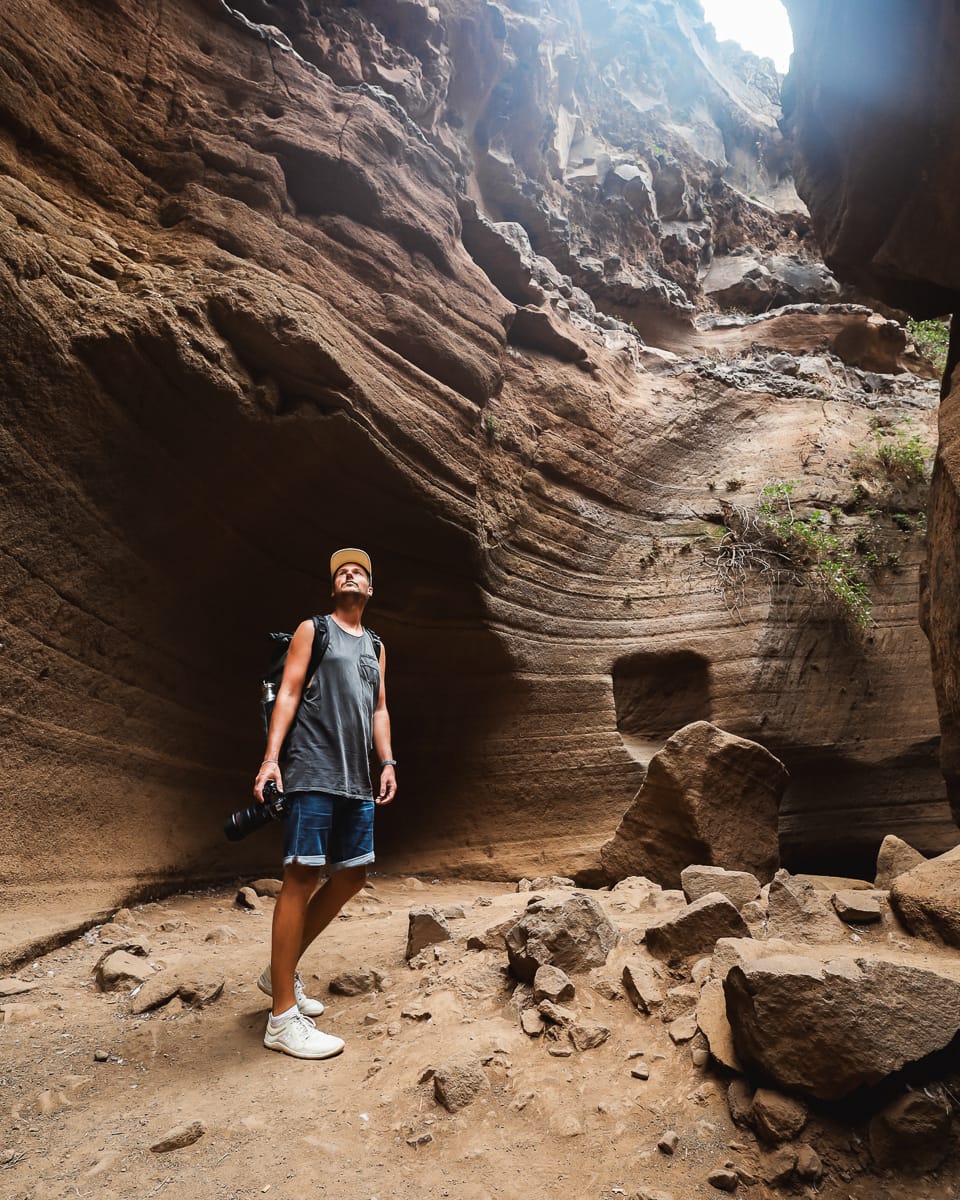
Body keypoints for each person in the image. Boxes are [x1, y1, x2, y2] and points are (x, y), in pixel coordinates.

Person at [253, 548, 397, 1059]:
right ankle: (282, 1019)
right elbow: (288, 693)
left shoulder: (376, 646)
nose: (350, 573)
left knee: (353, 874)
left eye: (358, 570)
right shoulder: (313, 630)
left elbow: (379, 709)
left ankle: (280, 972)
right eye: (341, 571)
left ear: (370, 589)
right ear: (334, 588)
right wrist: (271, 760)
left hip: (356, 776)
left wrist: (387, 762)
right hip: (312, 768)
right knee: (301, 875)